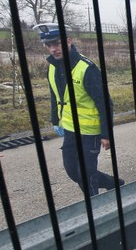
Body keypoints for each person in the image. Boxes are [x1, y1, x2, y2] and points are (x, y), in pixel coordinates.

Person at [35, 23, 124, 197]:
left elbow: (105, 102)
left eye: (57, 43)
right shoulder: (53, 66)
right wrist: (56, 121)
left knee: (86, 174)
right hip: (69, 128)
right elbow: (56, 96)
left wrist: (106, 134)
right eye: (49, 45)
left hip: (90, 132)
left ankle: (96, 210)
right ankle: (114, 184)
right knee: (72, 171)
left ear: (67, 41)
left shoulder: (87, 68)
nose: (53, 49)